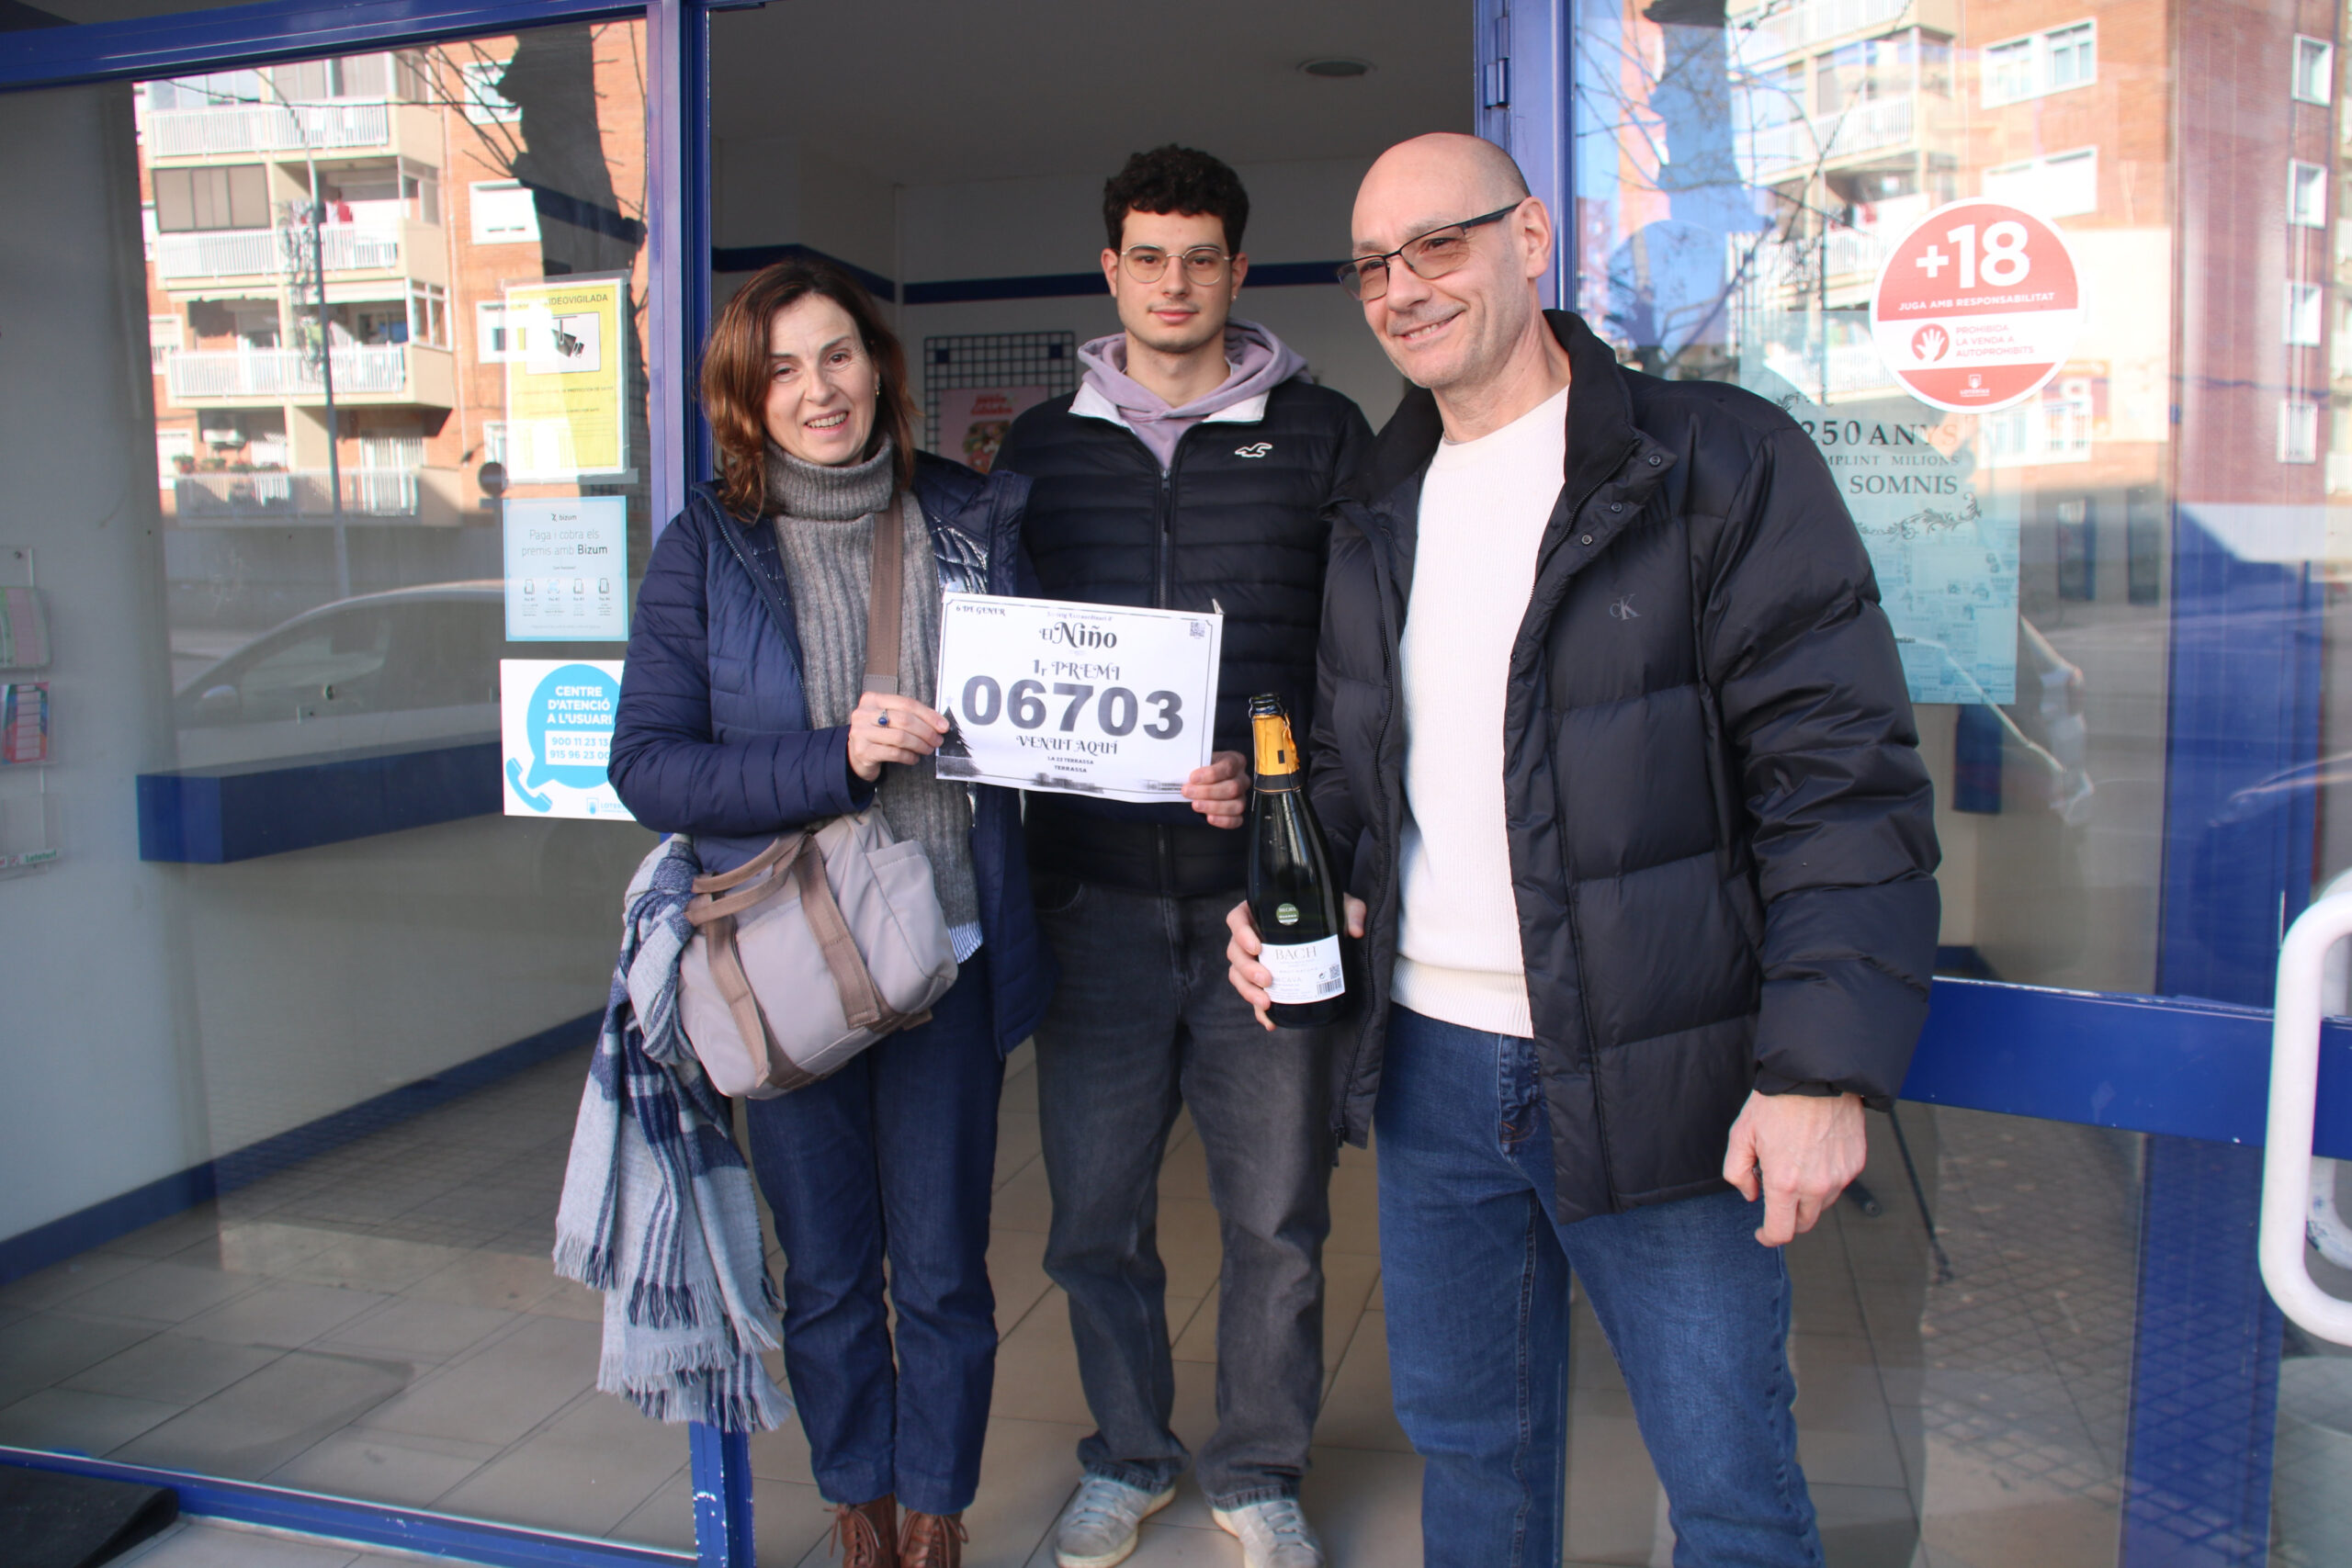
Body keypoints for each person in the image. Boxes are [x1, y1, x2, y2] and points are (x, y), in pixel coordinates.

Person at [1226, 133, 1940, 1567]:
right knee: (1470, 1460)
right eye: (1372, 266)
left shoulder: (1715, 463)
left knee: (1729, 1486)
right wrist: (1299, 910)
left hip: (1660, 1064)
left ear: (1532, 238)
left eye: (1438, 245)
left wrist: (1818, 1070)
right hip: (1430, 1069)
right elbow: (1359, 773)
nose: (1402, 288)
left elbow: (1840, 786)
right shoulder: (1373, 507)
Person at [607, 256, 1056, 1568]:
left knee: (946, 1268)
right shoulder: (707, 546)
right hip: (786, 965)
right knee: (828, 1269)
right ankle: (859, 1502)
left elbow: (1052, 712)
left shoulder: (971, 519)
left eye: (840, 355)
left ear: (878, 365)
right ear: (745, 398)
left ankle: (936, 1515)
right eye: (784, 369)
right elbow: (648, 767)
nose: (820, 389)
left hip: (949, 951)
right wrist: (832, 757)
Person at [992, 145, 1373, 1568]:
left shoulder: (1322, 434)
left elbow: (1360, 663)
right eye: (1147, 258)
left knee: (1276, 1218)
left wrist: (1276, 781)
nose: (1173, 283)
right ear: (1111, 270)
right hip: (1088, 902)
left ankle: (1259, 1472)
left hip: (1259, 908)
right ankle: (1131, 1455)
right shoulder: (1041, 448)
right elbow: (1005, 659)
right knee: (1092, 1219)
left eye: (1200, 258)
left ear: (1237, 269)